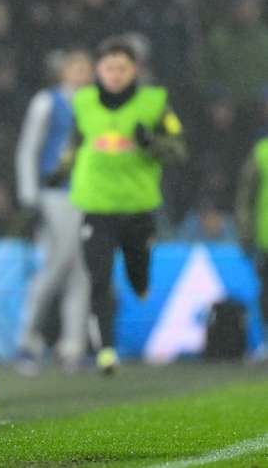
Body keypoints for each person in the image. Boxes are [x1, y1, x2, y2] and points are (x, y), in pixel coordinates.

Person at [68, 37, 186, 375]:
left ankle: (140, 276)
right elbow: (75, 145)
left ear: (134, 70)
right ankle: (106, 351)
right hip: (97, 205)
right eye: (108, 68)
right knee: (98, 278)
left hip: (137, 207)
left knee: (138, 278)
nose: (115, 75)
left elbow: (179, 149)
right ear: (98, 71)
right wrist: (58, 172)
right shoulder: (84, 102)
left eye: (122, 68)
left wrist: (152, 143)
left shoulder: (154, 103)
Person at [14, 50, 93, 374]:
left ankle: (72, 346)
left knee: (81, 272)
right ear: (62, 71)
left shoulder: (93, 105)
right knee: (59, 263)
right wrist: (29, 195)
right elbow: (28, 147)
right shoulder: (47, 102)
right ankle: (28, 339)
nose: (80, 72)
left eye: (84, 66)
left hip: (88, 194)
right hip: (56, 192)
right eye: (75, 66)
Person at [234, 136, 268, 353]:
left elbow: (245, 198)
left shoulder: (261, 153)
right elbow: (246, 197)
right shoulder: (261, 153)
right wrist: (246, 233)